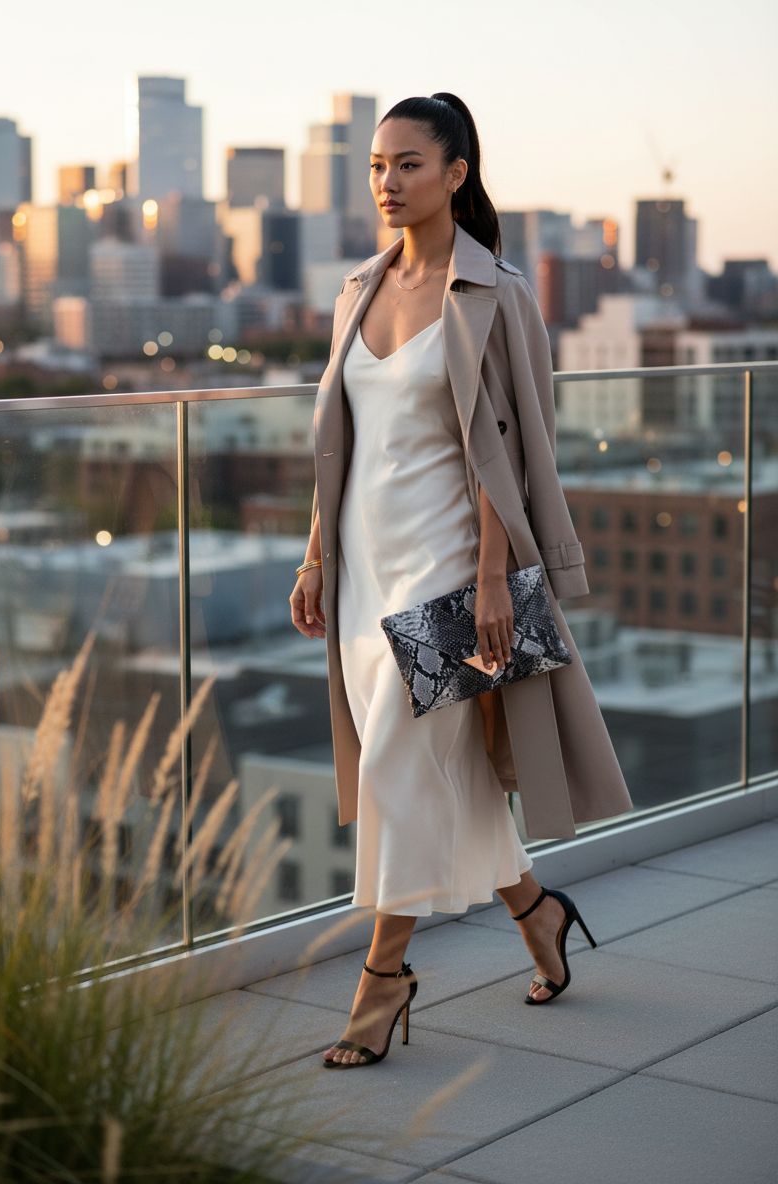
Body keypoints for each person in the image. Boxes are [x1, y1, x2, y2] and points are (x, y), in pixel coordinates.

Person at [290, 93, 615, 1070]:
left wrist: (489, 573)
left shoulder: (497, 294)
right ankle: (538, 911)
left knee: (396, 762)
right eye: (378, 167)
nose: (388, 184)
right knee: (444, 774)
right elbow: (340, 447)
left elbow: (514, 447)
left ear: (457, 173)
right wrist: (315, 552)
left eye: (409, 166)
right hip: (362, 565)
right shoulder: (357, 290)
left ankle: (382, 983)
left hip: (445, 565)